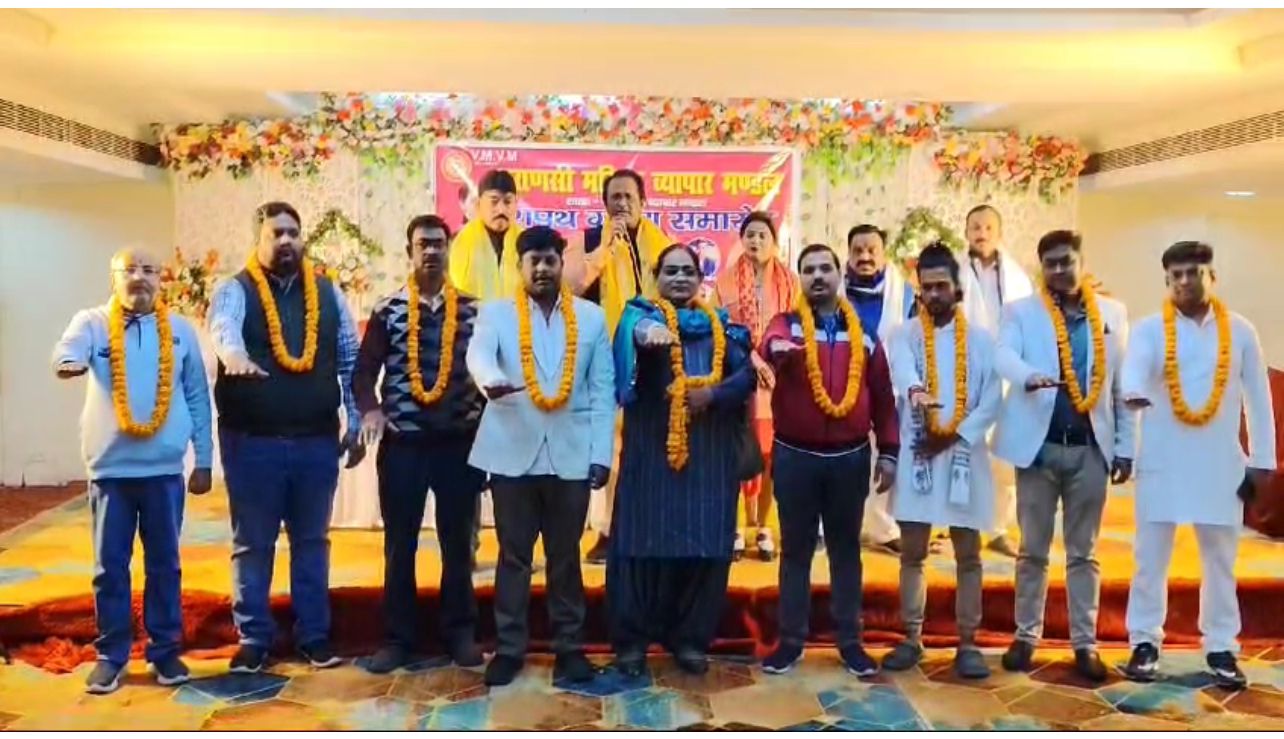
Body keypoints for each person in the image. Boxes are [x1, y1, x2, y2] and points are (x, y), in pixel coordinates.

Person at [209, 201, 366, 673]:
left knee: (312, 542)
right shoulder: (235, 290)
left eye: (292, 233)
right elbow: (224, 330)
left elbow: (349, 360)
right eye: (275, 233)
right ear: (257, 240)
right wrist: (234, 357)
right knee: (253, 544)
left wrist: (356, 419)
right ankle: (253, 638)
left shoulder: (328, 293)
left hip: (315, 442)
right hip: (252, 443)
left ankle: (313, 636)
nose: (285, 241)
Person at [52, 248, 213, 694]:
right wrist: (68, 362)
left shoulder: (180, 330)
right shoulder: (92, 323)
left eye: (149, 270)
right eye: (130, 270)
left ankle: (165, 651)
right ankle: (111, 656)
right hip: (110, 473)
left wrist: (203, 459)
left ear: (161, 279)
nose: (139, 277)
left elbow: (197, 395)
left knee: (165, 566)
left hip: (164, 471)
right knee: (109, 567)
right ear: (114, 277)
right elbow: (68, 350)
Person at [1120, 240, 1275, 690]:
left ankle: (1221, 646)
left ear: (1212, 276)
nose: (1186, 281)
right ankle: (1144, 641)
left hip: (1219, 463)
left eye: (1195, 272)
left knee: (1221, 561)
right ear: (1167, 281)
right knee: (1149, 559)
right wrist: (1133, 392)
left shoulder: (1240, 331)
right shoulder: (1149, 330)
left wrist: (1262, 461)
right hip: (1163, 461)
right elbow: (1134, 371)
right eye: (1177, 275)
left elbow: (1258, 398)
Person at [465, 225, 615, 687]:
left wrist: (601, 453)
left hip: (571, 455)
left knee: (565, 558)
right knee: (513, 557)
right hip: (513, 452)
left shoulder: (591, 318)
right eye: (535, 261)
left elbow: (602, 388)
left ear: (562, 264)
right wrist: (489, 381)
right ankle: (510, 649)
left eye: (551, 260)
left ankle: (570, 649)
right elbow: (478, 356)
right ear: (520, 266)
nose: (544, 268)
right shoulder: (496, 314)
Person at [992, 230, 1134, 683]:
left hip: (1090, 450)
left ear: (1081, 261)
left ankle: (1085, 644)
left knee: (1083, 553)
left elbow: (1121, 386)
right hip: (1039, 450)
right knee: (1031, 550)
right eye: (1050, 263)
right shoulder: (1020, 312)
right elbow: (1003, 355)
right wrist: (1027, 375)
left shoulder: (1112, 314)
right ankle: (1025, 636)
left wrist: (1125, 448)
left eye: (1065, 261)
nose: (1058, 270)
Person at [609, 244, 755, 676]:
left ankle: (690, 639)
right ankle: (632, 642)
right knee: (639, 545)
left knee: (704, 546)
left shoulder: (722, 326)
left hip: (709, 458)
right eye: (670, 271)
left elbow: (746, 376)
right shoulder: (639, 316)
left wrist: (713, 394)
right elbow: (634, 334)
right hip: (651, 455)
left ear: (699, 278)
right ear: (656, 277)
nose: (679, 278)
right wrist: (648, 334)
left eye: (687, 271)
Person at [354, 215, 488, 673]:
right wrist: (370, 410)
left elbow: (488, 371)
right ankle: (398, 639)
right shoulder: (387, 309)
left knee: (458, 543)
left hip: (459, 446)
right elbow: (364, 373)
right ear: (409, 252)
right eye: (422, 244)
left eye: (438, 243)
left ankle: (460, 633)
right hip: (403, 447)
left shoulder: (474, 311)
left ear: (449, 249)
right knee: (400, 544)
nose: (430, 251)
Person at [758, 244, 898, 677]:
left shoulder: (865, 334)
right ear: (799, 278)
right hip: (796, 458)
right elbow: (768, 346)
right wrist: (777, 350)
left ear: (840, 275)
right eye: (808, 270)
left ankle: (850, 643)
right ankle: (790, 642)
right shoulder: (786, 325)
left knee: (845, 552)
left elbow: (883, 396)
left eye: (825, 268)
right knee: (795, 552)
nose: (817, 276)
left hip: (849, 460)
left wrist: (889, 451)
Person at [879, 244, 1002, 680]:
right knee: (912, 553)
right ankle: (912, 637)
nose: (933, 294)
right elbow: (904, 375)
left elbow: (992, 399)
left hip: (964, 452)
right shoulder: (903, 334)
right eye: (926, 287)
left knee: (968, 555)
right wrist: (918, 397)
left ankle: (967, 643)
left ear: (957, 288)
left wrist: (953, 436)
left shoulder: (983, 341)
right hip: (919, 451)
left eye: (941, 286)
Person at [564, 169, 671, 564]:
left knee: (650, 447)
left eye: (629, 197)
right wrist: (604, 251)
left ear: (644, 202)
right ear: (604, 203)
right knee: (607, 448)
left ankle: (648, 529)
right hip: (602, 360)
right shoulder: (590, 240)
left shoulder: (663, 246)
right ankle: (607, 531)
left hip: (652, 360)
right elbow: (571, 286)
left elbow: (679, 293)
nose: (622, 204)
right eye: (615, 197)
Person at [714, 212, 797, 562]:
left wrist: (774, 360)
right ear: (741, 239)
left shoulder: (790, 282)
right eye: (750, 234)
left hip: (779, 381)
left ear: (774, 242)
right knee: (735, 450)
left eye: (763, 235)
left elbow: (797, 328)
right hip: (738, 377)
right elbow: (720, 327)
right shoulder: (726, 282)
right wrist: (752, 359)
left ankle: (764, 526)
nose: (756, 241)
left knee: (771, 454)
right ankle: (733, 527)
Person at [958, 204, 1033, 559]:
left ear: (999, 233)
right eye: (975, 227)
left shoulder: (1018, 277)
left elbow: (1028, 323)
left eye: (988, 227)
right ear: (966, 232)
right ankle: (963, 525)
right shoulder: (954, 272)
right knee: (965, 451)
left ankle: (998, 528)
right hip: (967, 371)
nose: (982, 233)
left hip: (1006, 374)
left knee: (1004, 453)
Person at [845, 224, 917, 556]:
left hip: (888, 386)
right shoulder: (833, 289)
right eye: (857, 250)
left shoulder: (906, 294)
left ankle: (882, 528)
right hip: (840, 384)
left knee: (885, 455)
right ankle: (829, 526)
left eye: (871, 250)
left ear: (883, 253)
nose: (864, 257)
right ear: (848, 254)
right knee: (838, 455)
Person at [449, 169, 524, 301]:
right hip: (472, 312)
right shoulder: (459, 241)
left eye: (507, 202)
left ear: (516, 204)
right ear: (479, 204)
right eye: (494, 202)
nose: (501, 210)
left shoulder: (526, 242)